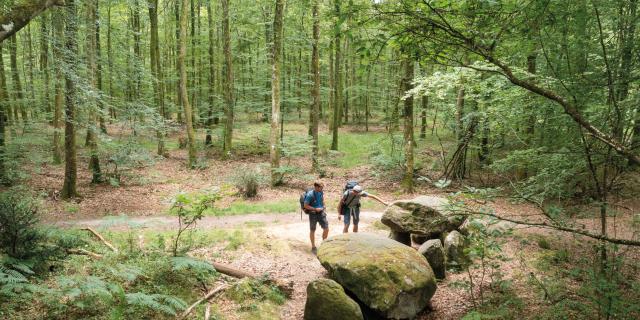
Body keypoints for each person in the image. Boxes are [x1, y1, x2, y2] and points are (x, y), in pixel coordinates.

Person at [304, 181, 328, 254]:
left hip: (321, 213)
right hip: (313, 214)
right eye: (321, 187)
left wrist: (323, 205)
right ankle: (313, 247)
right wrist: (315, 209)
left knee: (326, 228)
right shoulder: (310, 195)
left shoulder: (320, 192)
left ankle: (324, 244)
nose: (322, 188)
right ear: (316, 187)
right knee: (312, 230)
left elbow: (322, 199)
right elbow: (305, 205)